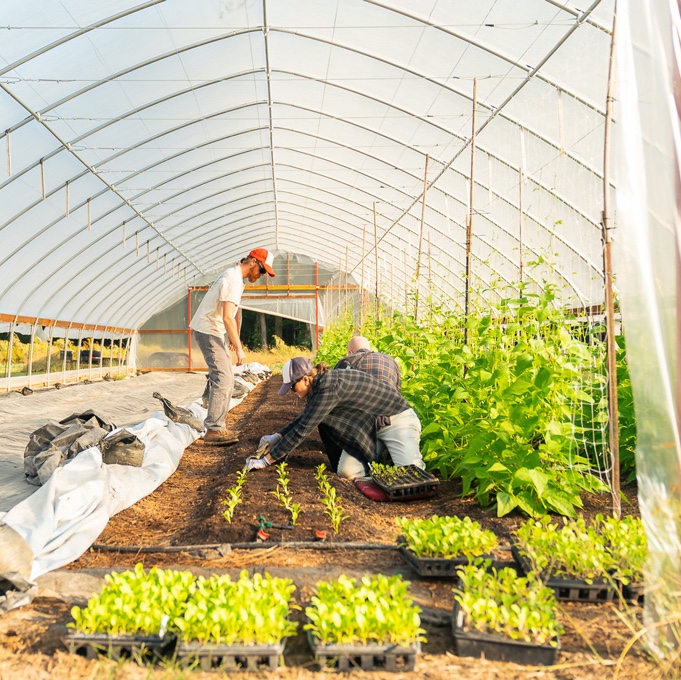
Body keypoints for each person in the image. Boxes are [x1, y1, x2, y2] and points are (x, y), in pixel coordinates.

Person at [247, 357, 424, 478]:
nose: (292, 392)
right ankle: (383, 457)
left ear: (305, 379)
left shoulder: (328, 388)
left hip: (396, 420)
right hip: (368, 429)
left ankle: (391, 457)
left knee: (411, 474)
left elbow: (303, 429)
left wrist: (266, 461)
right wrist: (276, 437)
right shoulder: (318, 388)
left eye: (292, 387)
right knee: (347, 472)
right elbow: (305, 418)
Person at [190, 248, 275, 445]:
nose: (261, 276)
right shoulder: (232, 279)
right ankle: (214, 430)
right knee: (223, 376)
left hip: (213, 329)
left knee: (225, 375)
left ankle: (218, 426)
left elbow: (229, 315)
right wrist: (239, 348)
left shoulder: (236, 278)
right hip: (208, 329)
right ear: (253, 261)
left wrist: (229, 336)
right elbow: (228, 317)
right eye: (262, 271)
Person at [334, 335, 401, 392]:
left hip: (360, 405)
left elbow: (335, 390)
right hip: (388, 404)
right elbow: (398, 390)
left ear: (350, 352)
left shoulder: (347, 361)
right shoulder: (391, 361)